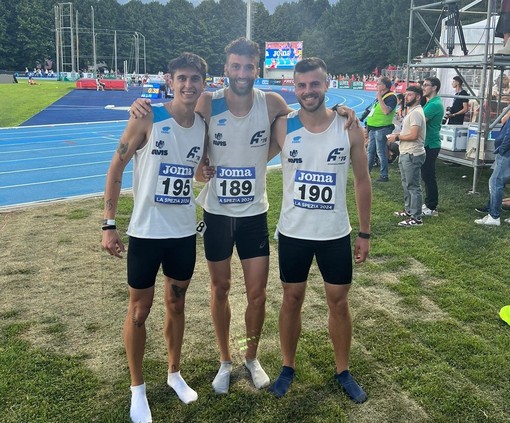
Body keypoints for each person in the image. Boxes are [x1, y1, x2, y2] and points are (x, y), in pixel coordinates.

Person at [129, 38, 358, 395]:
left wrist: (343, 110)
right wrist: (144, 106)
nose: (241, 73)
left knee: (258, 295)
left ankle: (251, 357)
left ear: (257, 69)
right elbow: (182, 118)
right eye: (235, 66)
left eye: (248, 67)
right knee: (219, 288)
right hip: (217, 213)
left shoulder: (273, 104)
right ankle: (225, 360)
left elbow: (305, 122)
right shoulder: (207, 101)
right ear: (226, 69)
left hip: (254, 214)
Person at [101, 52, 208, 423]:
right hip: (146, 234)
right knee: (139, 311)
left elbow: (189, 169)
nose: (188, 85)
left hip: (182, 234)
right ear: (170, 79)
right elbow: (117, 165)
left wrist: (202, 173)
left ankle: (174, 374)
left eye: (195, 79)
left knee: (177, 304)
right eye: (182, 78)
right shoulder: (147, 116)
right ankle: (137, 389)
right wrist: (108, 223)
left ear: (203, 84)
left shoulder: (201, 125)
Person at [267, 57, 371, 403]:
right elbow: (244, 148)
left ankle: (343, 370)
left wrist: (365, 232)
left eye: (315, 84)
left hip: (334, 234)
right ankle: (287, 366)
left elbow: (361, 180)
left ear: (327, 85)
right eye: (301, 85)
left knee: (338, 303)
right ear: (294, 88)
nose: (308, 91)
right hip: (294, 232)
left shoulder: (349, 126)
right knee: (291, 299)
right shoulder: (283, 126)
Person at [387, 86, 427, 227]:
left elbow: (414, 135)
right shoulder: (413, 112)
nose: (406, 97)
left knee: (413, 186)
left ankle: (416, 218)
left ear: (417, 97)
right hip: (406, 152)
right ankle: (409, 210)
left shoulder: (416, 113)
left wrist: (397, 136)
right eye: (406, 94)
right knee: (406, 183)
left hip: (412, 153)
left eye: (409, 95)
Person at [475, 109, 510, 226]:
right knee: (497, 181)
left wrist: (502, 150)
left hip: (507, 153)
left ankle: (494, 216)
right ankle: (493, 213)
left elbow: (508, 134)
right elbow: (504, 120)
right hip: (506, 152)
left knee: (495, 182)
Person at [366, 76, 398, 182]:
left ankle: (384, 175)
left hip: (382, 128)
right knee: (370, 151)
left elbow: (386, 111)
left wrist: (379, 97)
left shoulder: (391, 97)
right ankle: (367, 173)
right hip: (373, 128)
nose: (376, 85)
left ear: (384, 86)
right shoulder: (383, 96)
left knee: (381, 152)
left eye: (378, 84)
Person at [421, 77, 444, 217]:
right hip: (428, 143)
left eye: (426, 85)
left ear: (434, 87)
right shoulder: (431, 102)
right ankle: (429, 202)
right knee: (426, 175)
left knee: (429, 176)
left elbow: (420, 121)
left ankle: (432, 206)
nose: (423, 87)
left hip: (431, 144)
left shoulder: (434, 104)